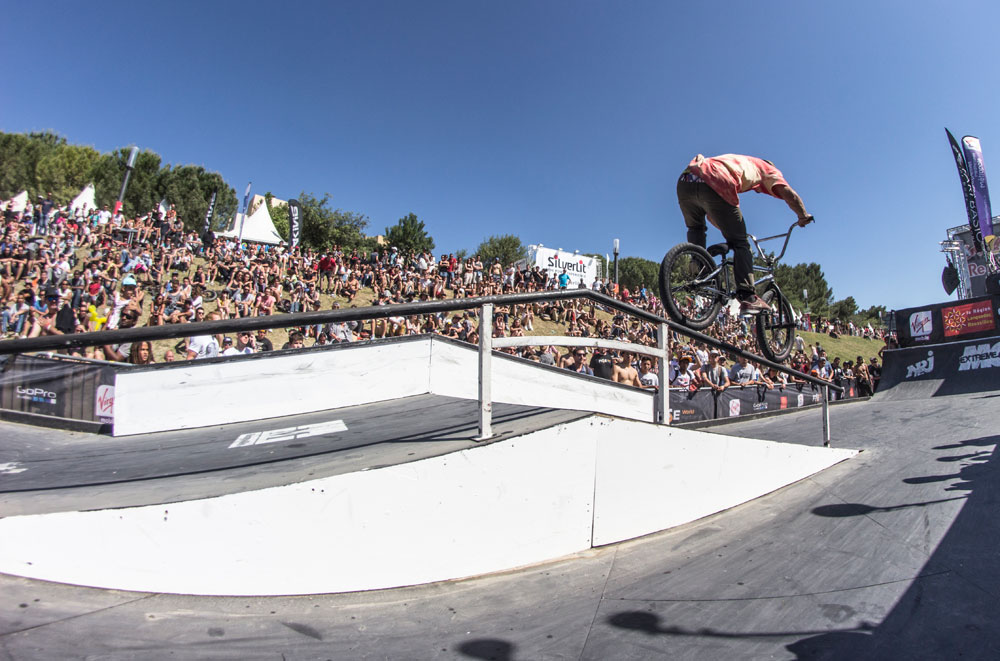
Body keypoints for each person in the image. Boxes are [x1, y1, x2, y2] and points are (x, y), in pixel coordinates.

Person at [677, 154, 813, 312]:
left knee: (696, 229)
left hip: (685, 181)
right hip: (715, 180)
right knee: (741, 243)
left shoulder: (737, 161)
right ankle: (747, 296)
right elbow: (789, 194)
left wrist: (730, 229)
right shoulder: (767, 168)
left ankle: (700, 273)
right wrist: (803, 215)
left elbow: (712, 216)